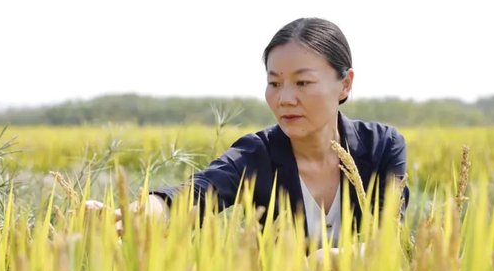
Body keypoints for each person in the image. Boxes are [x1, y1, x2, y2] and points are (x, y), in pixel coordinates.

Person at [87, 17, 409, 247]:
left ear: (345, 84)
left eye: (302, 82)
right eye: (274, 83)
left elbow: (388, 242)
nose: (284, 98)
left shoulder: (381, 147)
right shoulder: (259, 154)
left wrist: (334, 262)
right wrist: (136, 215)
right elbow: (200, 191)